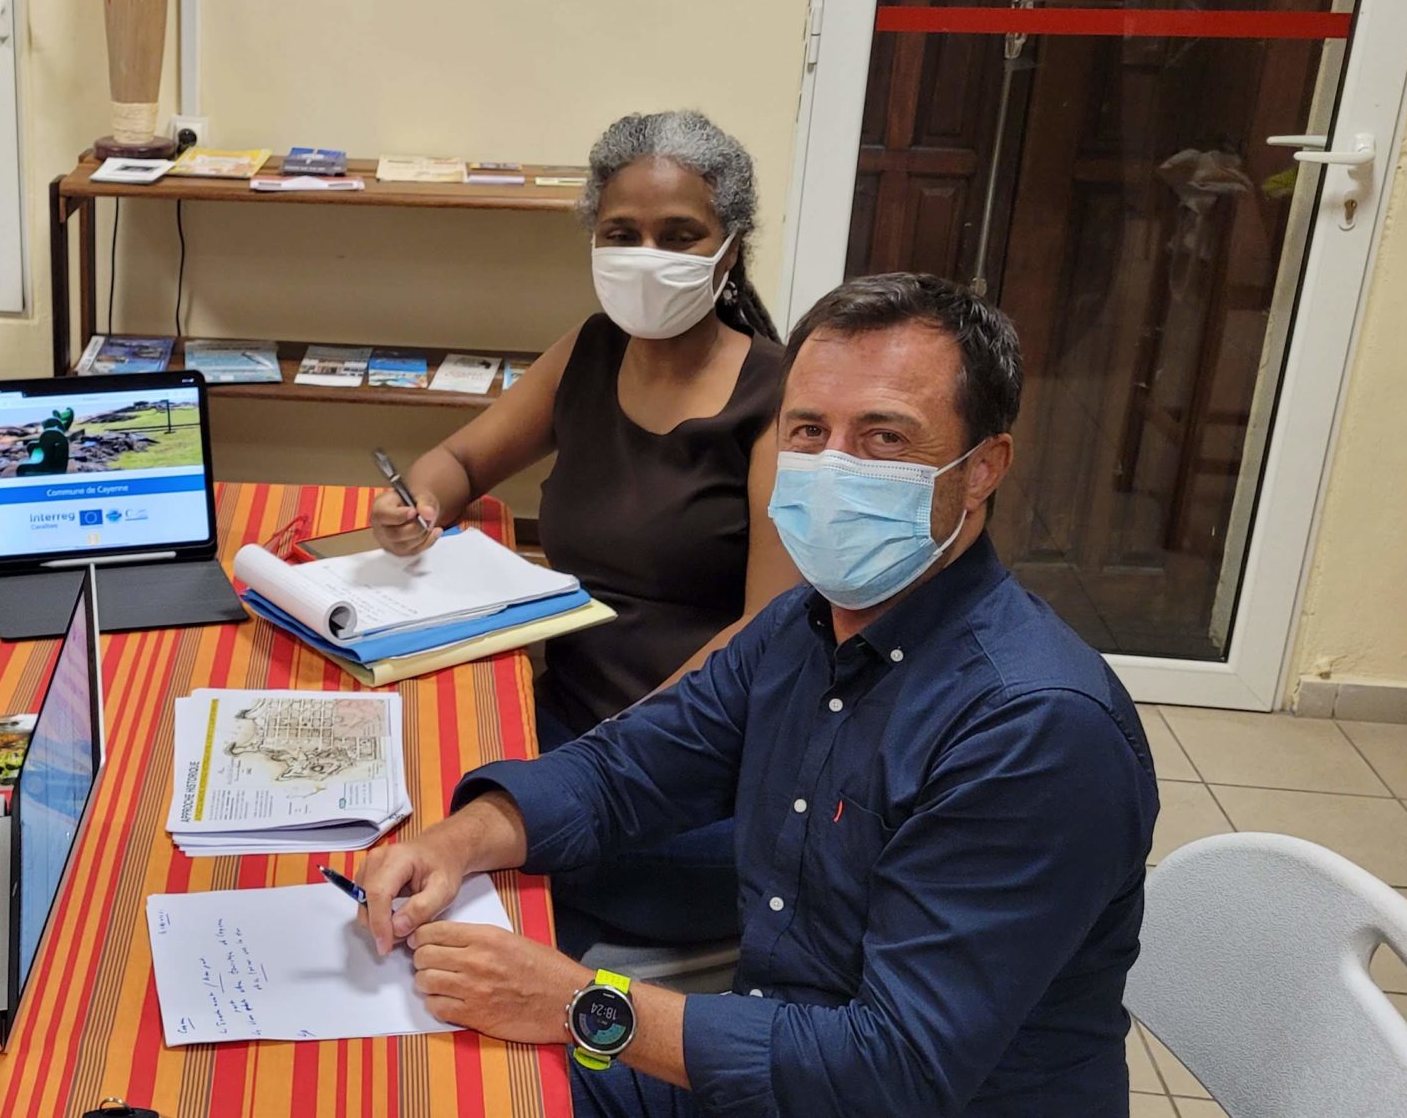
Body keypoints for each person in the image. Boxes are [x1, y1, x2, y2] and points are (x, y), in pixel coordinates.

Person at [355, 274, 1159, 1118]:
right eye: (809, 430)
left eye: (884, 436)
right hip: (770, 1062)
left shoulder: (1035, 730)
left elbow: (893, 1070)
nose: (833, 464)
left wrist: (574, 1002)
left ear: (983, 467)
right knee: (430, 1078)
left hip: (882, 1096)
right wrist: (463, 838)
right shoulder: (803, 626)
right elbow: (630, 765)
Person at [370, 110, 803, 953]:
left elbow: (765, 638)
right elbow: (459, 459)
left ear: (730, 247)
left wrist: (604, 762)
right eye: (622, 232)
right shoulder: (593, 350)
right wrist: (417, 504)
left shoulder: (777, 402)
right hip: (563, 731)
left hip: (678, 778)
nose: (649, 254)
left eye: (680, 234)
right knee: (404, 807)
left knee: (446, 886)